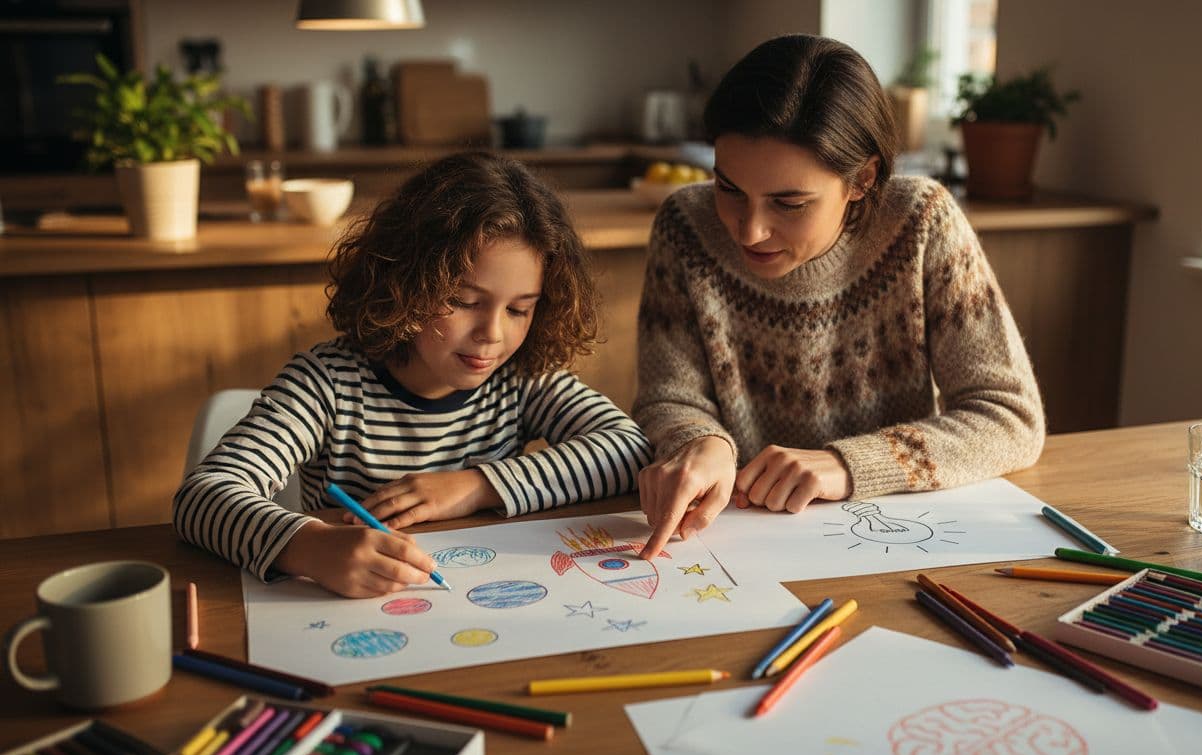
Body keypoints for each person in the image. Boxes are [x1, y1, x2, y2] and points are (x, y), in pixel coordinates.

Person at [634, 35, 1045, 558]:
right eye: (729, 189)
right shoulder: (685, 226)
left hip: (896, 539)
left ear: (862, 179)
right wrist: (701, 442)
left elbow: (1010, 416)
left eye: (789, 203)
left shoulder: (922, 222)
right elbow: (668, 396)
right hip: (735, 540)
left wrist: (851, 465)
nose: (750, 230)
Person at [175, 152, 652, 597]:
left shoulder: (523, 379)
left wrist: (475, 486)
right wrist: (307, 546)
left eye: (519, 309)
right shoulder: (327, 385)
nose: (492, 334)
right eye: (464, 302)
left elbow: (628, 449)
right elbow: (202, 498)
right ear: (405, 282)